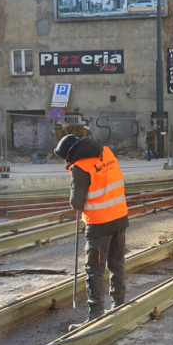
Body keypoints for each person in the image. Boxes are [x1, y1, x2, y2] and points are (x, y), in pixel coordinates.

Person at [54, 134, 129, 330]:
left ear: (70, 155)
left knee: (94, 269)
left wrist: (73, 180)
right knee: (116, 263)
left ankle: (95, 314)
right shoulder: (106, 152)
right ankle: (119, 305)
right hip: (120, 217)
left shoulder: (80, 168)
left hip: (99, 225)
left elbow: (76, 203)